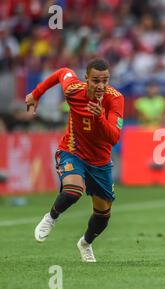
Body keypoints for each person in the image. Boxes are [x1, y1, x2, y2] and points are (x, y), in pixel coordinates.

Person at [25, 58, 124, 262]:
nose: (101, 86)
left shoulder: (115, 99)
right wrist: (36, 94)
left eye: (105, 81)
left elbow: (114, 137)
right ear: (86, 79)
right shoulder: (73, 90)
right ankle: (51, 217)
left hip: (100, 161)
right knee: (73, 190)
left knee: (103, 216)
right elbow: (61, 71)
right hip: (73, 150)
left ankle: (85, 243)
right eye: (96, 80)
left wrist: (99, 118)